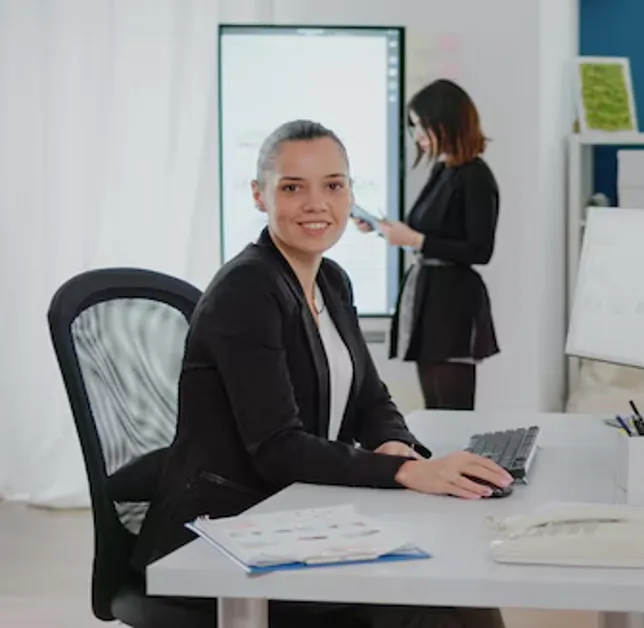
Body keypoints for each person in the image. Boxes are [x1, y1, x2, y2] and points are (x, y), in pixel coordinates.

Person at [131, 119, 509, 628]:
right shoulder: (247, 290)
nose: (316, 204)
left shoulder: (330, 280)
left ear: (351, 193)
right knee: (431, 608)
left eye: (333, 185)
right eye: (292, 187)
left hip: (290, 514)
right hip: (221, 536)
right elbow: (277, 447)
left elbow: (371, 400)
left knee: (461, 585)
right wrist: (405, 473)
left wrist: (395, 445)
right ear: (259, 196)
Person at [356, 79, 499, 411]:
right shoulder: (443, 170)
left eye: (421, 125)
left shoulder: (475, 176)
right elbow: (429, 238)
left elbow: (480, 250)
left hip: (452, 306)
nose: (417, 134)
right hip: (429, 301)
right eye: (414, 126)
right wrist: (385, 231)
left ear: (445, 123)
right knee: (435, 411)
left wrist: (415, 239)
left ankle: (459, 464)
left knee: (452, 412)